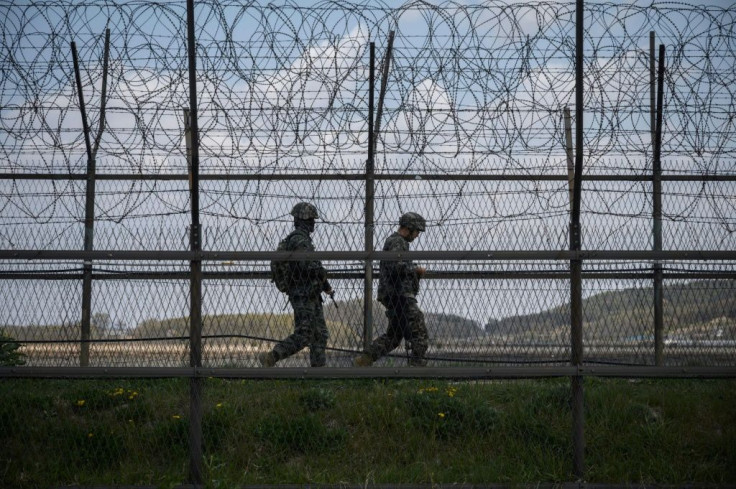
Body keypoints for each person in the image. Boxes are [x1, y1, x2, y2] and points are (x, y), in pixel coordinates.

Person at [259, 202, 334, 367]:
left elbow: (312, 266)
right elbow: (307, 265)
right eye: (311, 220)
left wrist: (325, 284)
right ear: (305, 220)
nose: (313, 223)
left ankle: (319, 372)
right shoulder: (299, 240)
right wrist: (321, 272)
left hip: (310, 293)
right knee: (304, 334)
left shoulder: (302, 240)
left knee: (319, 334)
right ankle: (272, 356)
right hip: (303, 294)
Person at [354, 212, 429, 367]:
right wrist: (416, 270)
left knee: (394, 336)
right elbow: (396, 266)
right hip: (399, 295)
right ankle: (417, 369)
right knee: (419, 329)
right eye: (417, 232)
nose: (417, 236)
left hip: (395, 295)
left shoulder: (397, 242)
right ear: (410, 228)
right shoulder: (397, 242)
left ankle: (364, 361)